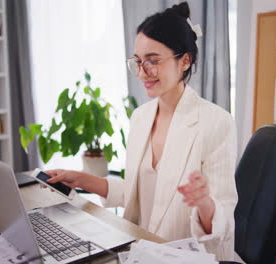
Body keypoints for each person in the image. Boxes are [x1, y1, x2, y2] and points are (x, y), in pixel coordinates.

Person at [45, 2, 237, 261]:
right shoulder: (141, 117)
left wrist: (204, 202)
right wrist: (80, 179)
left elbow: (224, 224)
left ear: (185, 61)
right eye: (137, 61)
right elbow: (135, 192)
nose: (141, 72)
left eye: (152, 61)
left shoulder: (216, 122)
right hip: (137, 250)